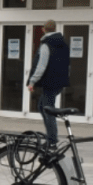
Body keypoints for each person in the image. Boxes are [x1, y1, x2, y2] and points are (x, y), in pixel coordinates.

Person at [27, 20, 70, 148]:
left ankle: (52, 140)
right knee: (42, 106)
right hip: (59, 82)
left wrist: (32, 81)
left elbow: (41, 65)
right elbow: (68, 64)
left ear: (43, 29)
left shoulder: (46, 44)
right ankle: (51, 137)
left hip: (50, 82)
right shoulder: (63, 44)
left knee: (47, 109)